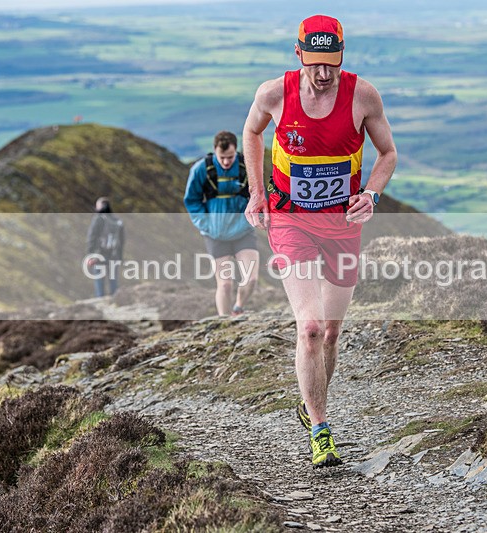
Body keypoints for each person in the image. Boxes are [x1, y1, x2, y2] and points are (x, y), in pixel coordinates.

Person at [242, 15, 397, 467]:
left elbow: (387, 153)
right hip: (291, 222)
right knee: (308, 327)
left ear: (342, 57)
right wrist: (257, 192)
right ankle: (320, 428)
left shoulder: (363, 96)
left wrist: (370, 194)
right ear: (299, 55)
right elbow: (252, 132)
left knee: (330, 332)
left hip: (343, 227)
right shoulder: (274, 94)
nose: (324, 73)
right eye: (315, 63)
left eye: (332, 63)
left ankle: (310, 406)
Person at [184, 131, 259, 317]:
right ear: (215, 152)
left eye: (230, 157)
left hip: (244, 231)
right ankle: (224, 322)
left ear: (236, 151)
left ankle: (238, 307)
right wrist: (206, 225)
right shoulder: (201, 169)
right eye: (222, 158)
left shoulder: (247, 166)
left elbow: (258, 194)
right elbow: (192, 200)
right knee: (225, 284)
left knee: (251, 279)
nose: (226, 162)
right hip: (216, 234)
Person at [86, 196, 124, 297]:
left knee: (99, 279)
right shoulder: (118, 221)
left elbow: (91, 237)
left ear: (101, 206)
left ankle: (100, 300)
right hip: (114, 254)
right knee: (113, 279)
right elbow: (122, 241)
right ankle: (115, 299)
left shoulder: (99, 219)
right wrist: (119, 257)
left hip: (99, 254)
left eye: (97, 205)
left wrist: (90, 254)